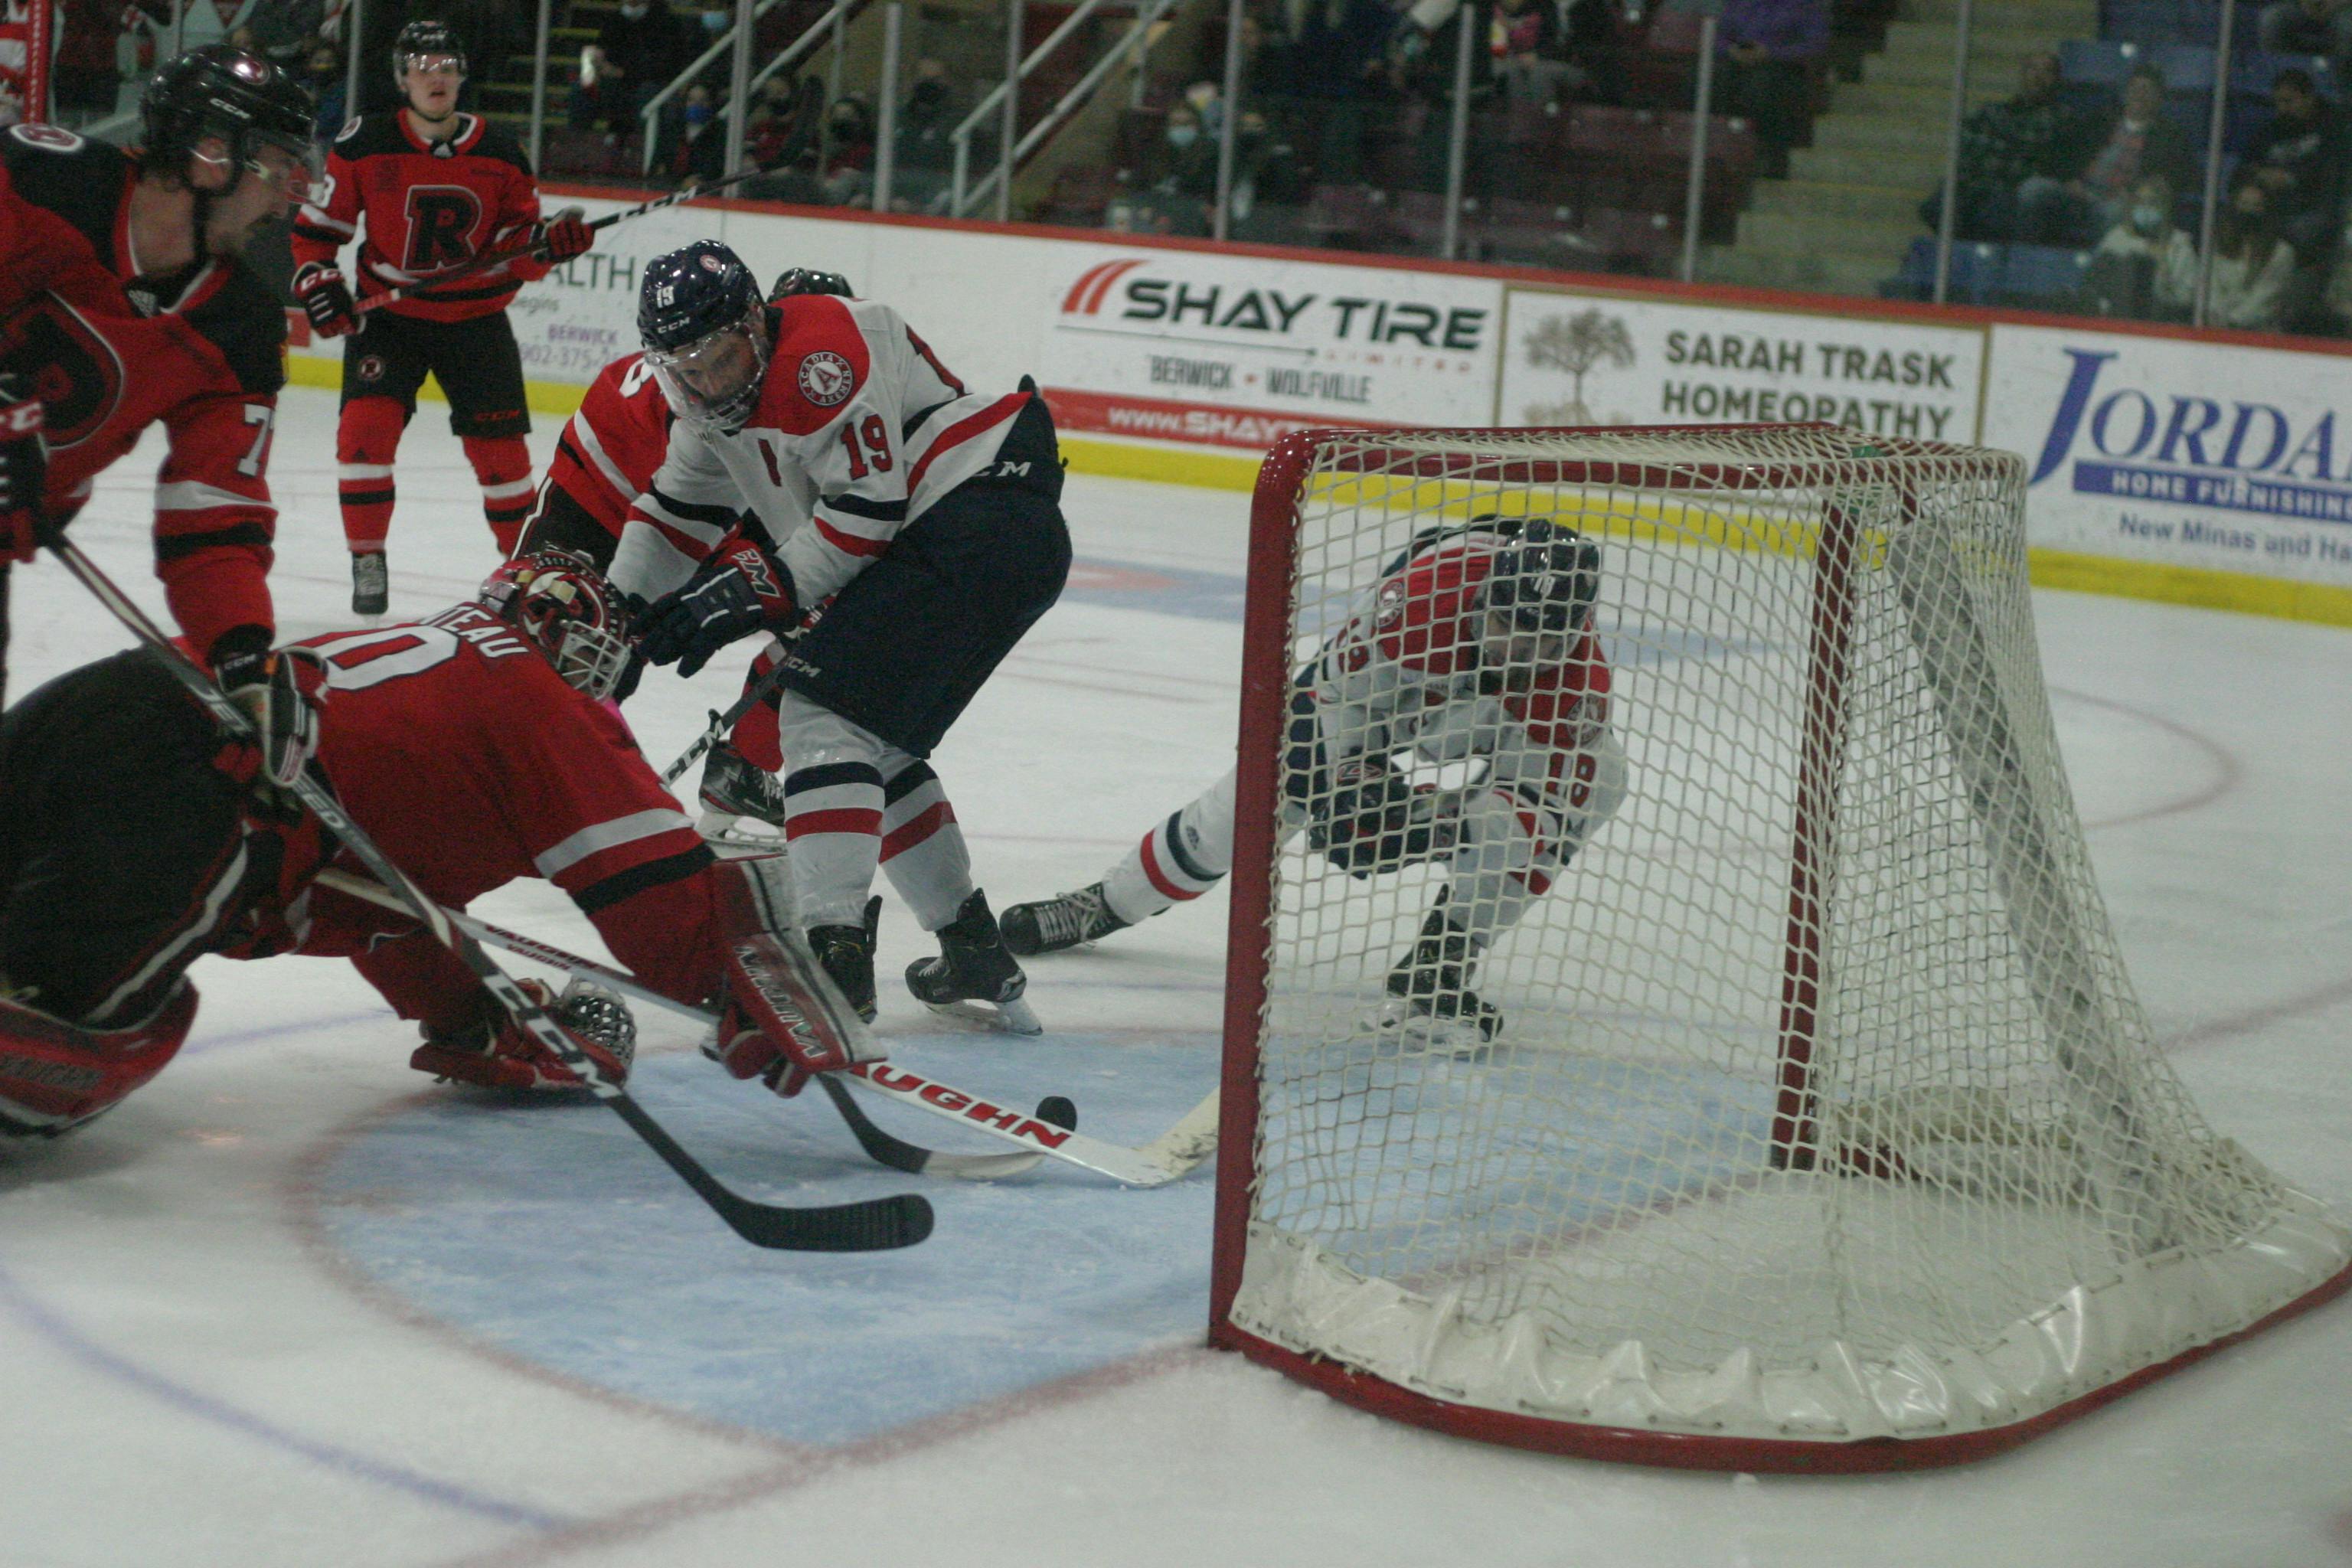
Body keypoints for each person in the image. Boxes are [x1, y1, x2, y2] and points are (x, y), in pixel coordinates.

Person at [0, 551, 852, 1137]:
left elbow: (392, 906)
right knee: (65, 1060)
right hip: (196, 799)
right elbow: (659, 887)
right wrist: (747, 983)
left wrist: (482, 1020)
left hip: (112, 695)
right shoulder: (546, 706)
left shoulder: (429, 665)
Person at [612, 240, 1070, 1033]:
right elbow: (674, 512)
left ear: (755, 324)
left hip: (974, 516)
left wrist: (735, 597)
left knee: (819, 720)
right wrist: (617, 612)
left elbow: (863, 519)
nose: (708, 383)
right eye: (686, 369)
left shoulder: (819, 354)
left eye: (720, 357)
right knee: (877, 748)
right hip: (973, 536)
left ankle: (831, 966)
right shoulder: (705, 416)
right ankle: (972, 948)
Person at [1002, 516, 1627, 1051]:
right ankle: (1106, 904)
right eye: (1506, 623)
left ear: (1573, 631)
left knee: (1597, 788)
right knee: (1262, 799)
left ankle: (1440, 966)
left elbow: (1539, 809)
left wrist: (1435, 825)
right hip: (1392, 691)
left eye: (1541, 637)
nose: (1516, 648)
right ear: (1485, 596)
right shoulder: (1422, 598)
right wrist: (1354, 782)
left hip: (1492, 720)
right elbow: (1328, 702)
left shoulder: (1574, 689)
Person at [0, 45, 309, 725]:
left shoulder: (241, 331)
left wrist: (241, 654)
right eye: (277, 167)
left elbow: (214, 521)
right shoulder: (38, 179)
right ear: (209, 155)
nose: (287, 197)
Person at [517, 266, 854, 846]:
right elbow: (688, 512)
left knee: (829, 617)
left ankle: (739, 770)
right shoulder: (729, 377)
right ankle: (516, 774)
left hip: (689, 500)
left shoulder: (763, 368)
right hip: (601, 489)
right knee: (561, 634)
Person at [289, 20, 595, 617]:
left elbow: (518, 252)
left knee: (504, 463)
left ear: (462, 76)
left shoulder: (502, 150)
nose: (437, 77)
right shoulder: (364, 142)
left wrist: (549, 245)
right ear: (402, 78)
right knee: (362, 440)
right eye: (423, 67)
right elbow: (316, 236)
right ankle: (367, 557)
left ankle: (528, 573)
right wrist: (319, 282)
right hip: (390, 320)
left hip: (476, 321)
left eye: (447, 66)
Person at [2021, 65, 2194, 246]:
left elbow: (2174, 177)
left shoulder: (2170, 136)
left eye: (2148, 89)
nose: (2140, 94)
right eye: (2135, 88)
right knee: (2033, 189)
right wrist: (2070, 179)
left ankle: (2101, 268)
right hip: (2079, 191)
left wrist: (2135, 193)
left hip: (2122, 200)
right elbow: (2064, 153)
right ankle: (2030, 259)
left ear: (2159, 100)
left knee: (2115, 212)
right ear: (2126, 92)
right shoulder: (2100, 120)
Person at [1925, 52, 2086, 243]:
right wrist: (2007, 147)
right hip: (1975, 184)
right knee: (1940, 204)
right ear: (2023, 74)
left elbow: (2039, 154)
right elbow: (1966, 145)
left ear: (2056, 80)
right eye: (2032, 69)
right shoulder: (1993, 110)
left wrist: (1996, 145)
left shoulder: (2062, 118)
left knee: (1995, 213)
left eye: (2047, 71)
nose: (2038, 76)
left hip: (2011, 192)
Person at [2239, 68, 2344, 261]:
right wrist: (2259, 175)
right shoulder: (2271, 131)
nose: (2282, 108)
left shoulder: (2335, 126)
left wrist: (2290, 178)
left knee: (2298, 233)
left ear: (2309, 98)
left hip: (2316, 206)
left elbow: (2335, 172)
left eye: (2288, 101)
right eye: (2277, 102)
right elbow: (2245, 166)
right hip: (2270, 205)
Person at [1716, 0, 1826, 181]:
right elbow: (1718, 35)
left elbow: (1815, 44)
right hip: (1737, 64)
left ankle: (1769, 155)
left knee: (1763, 87)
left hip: (1783, 68)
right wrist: (1731, 50)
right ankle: (1720, 154)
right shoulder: (1738, 3)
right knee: (1711, 80)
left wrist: (1772, 53)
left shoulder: (1804, 5)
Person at [2085, 173, 2197, 322]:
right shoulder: (2116, 238)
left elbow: (2186, 299)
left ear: (2165, 207)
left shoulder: (2180, 245)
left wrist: (2164, 271)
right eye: (2140, 202)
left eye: (2152, 202)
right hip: (2115, 320)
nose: (2145, 208)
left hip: (2163, 323)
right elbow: (2095, 286)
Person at [2208, 175, 2297, 332]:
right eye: (2244, 203)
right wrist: (2217, 319)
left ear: (2266, 209)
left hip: (2260, 336)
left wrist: (2233, 322)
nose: (2248, 210)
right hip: (2216, 329)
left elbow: (2265, 298)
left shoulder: (2282, 253)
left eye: (2256, 206)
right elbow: (2211, 288)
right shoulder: (2216, 245)